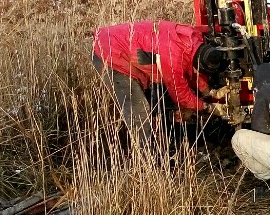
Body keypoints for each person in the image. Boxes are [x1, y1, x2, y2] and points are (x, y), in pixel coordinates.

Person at [93, 20, 226, 149]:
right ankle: (146, 159)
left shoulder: (193, 39)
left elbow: (191, 70)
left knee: (148, 106)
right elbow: (182, 97)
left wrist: (209, 92)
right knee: (139, 111)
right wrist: (209, 107)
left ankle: (159, 145)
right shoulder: (172, 56)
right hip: (110, 54)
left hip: (117, 44)